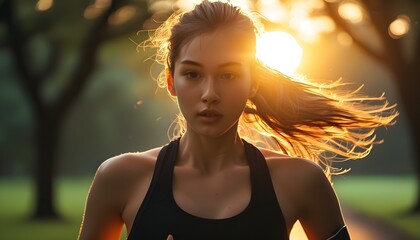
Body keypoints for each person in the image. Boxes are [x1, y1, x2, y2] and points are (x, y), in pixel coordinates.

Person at [78, 1, 397, 239]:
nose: (210, 93)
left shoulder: (302, 181)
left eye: (228, 74)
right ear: (171, 81)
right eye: (192, 74)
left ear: (253, 82)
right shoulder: (119, 178)